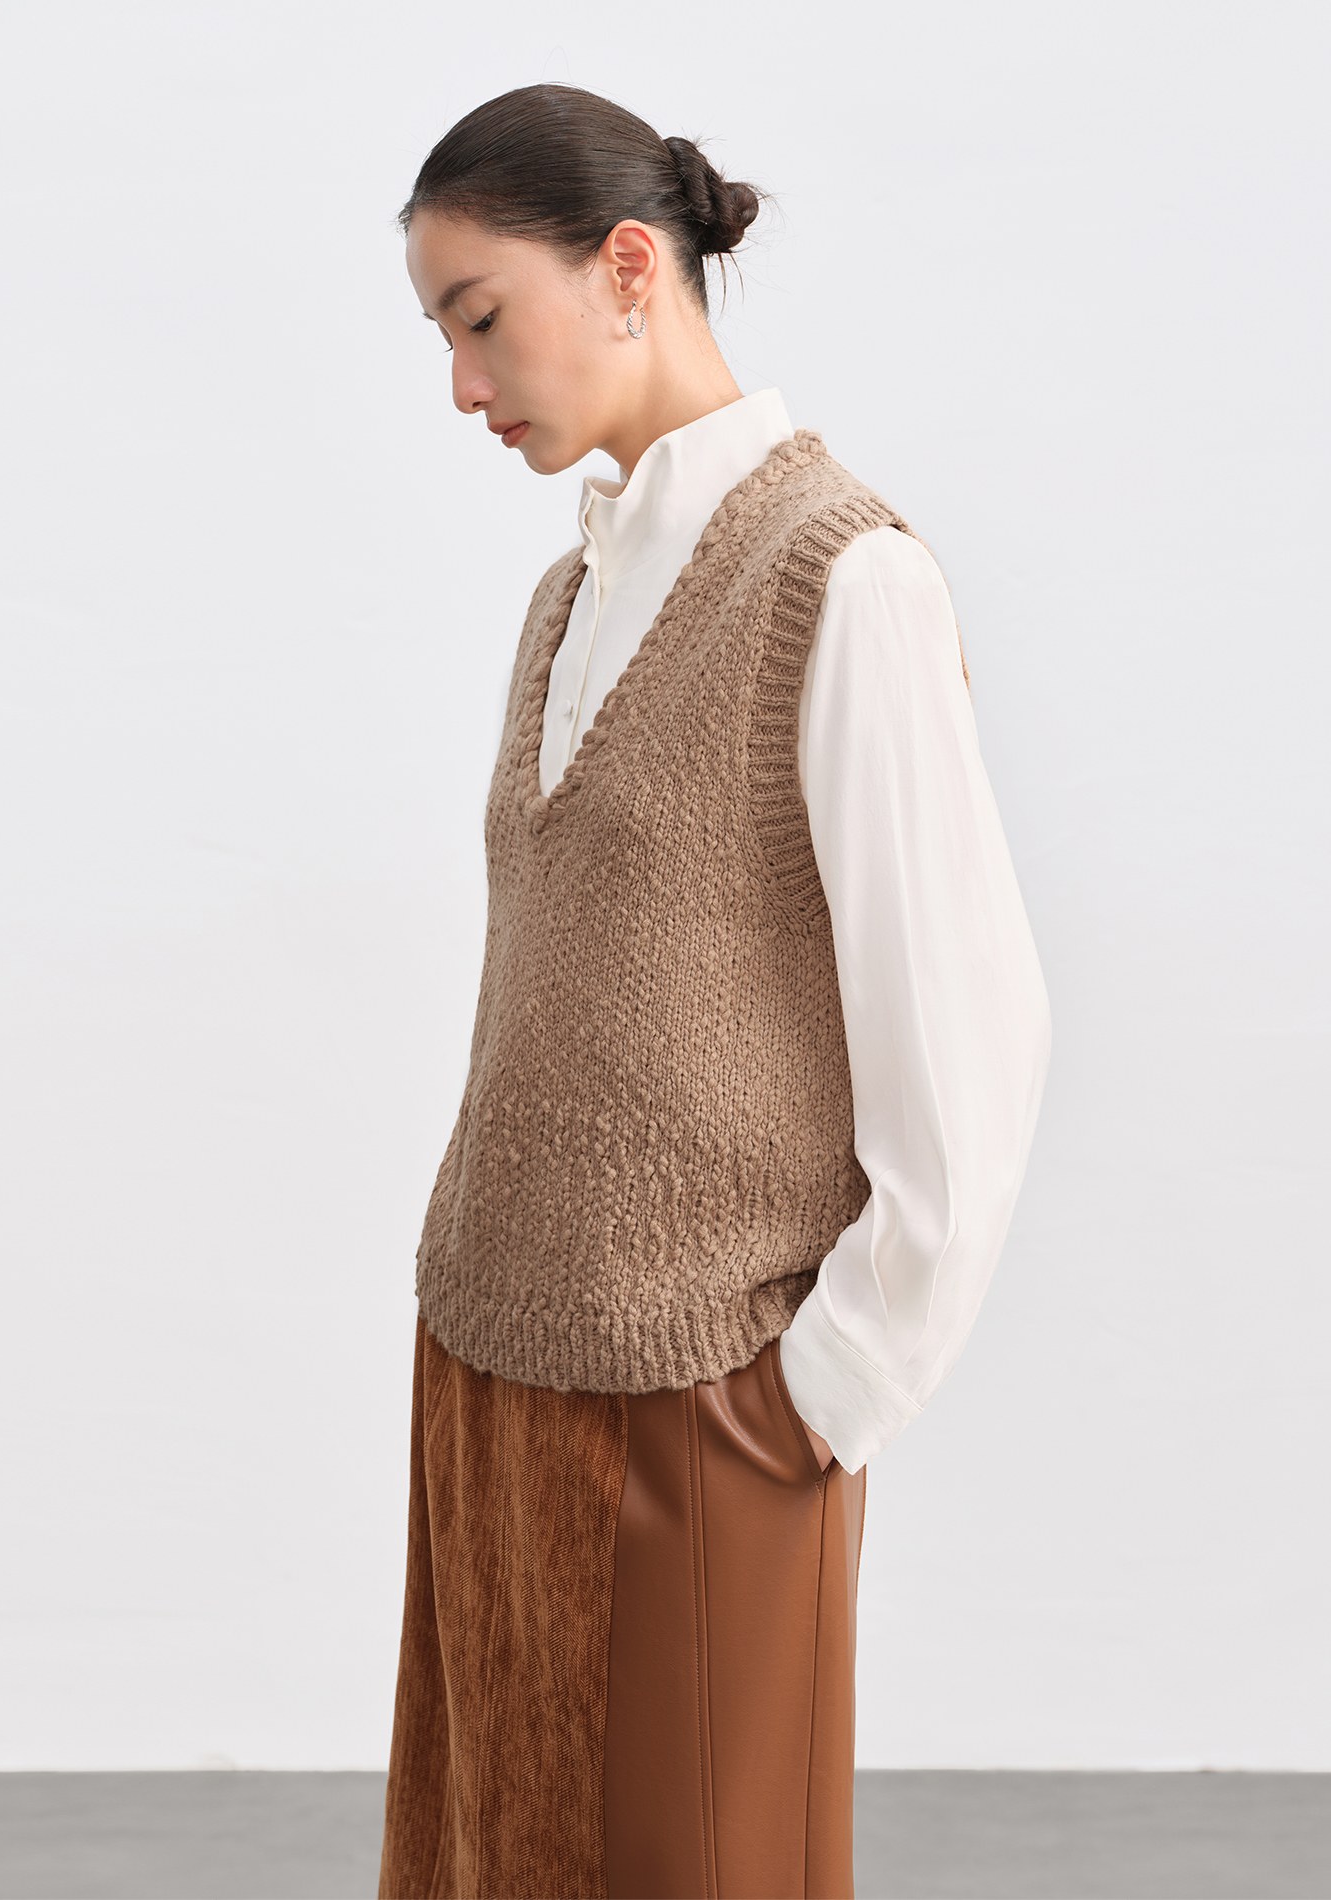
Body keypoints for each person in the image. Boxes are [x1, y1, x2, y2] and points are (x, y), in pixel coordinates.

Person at [376, 80, 1052, 1900]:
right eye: (442, 338)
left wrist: (820, 1396)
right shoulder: (569, 593)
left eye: (479, 320)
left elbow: (974, 1031)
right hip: (487, 1373)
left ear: (626, 267)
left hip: (700, 1400)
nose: (463, 386)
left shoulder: (845, 579)